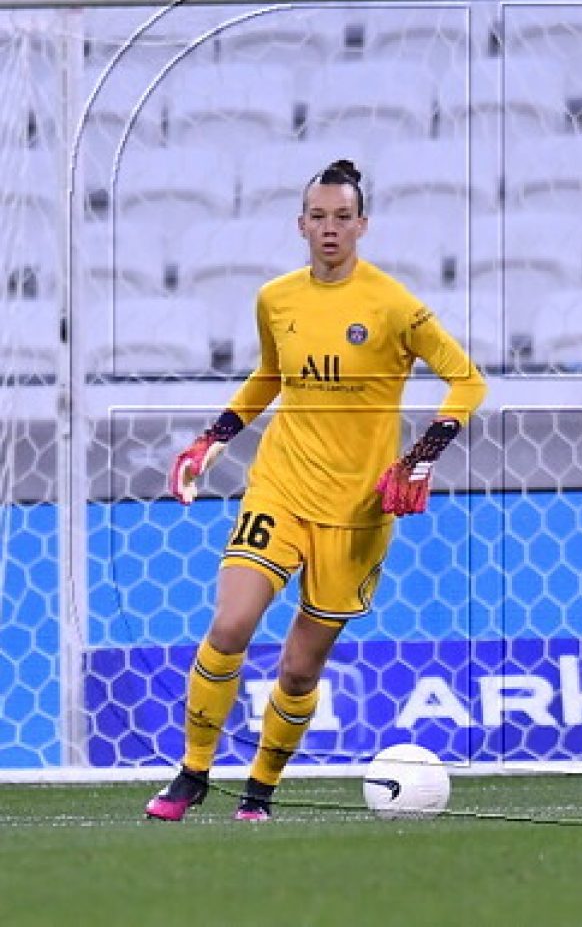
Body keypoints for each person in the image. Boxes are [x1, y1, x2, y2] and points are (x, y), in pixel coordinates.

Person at [145, 158, 487, 822]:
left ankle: (260, 790)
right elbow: (271, 376)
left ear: (363, 225)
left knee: (300, 669)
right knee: (231, 624)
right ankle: (192, 771)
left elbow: (467, 381)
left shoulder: (393, 305)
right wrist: (214, 436)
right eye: (318, 217)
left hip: (357, 511)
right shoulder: (277, 299)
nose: (330, 228)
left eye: (343, 217)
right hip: (280, 486)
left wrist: (423, 454)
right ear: (301, 225)